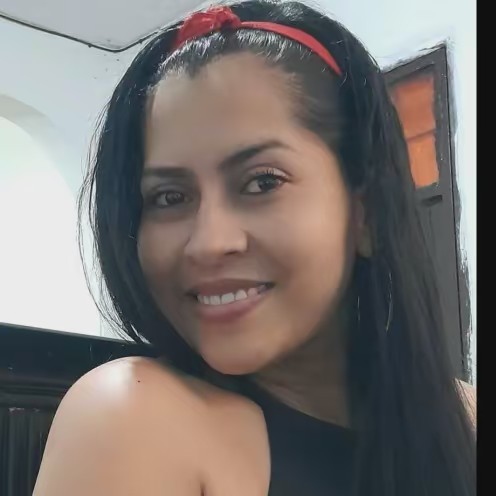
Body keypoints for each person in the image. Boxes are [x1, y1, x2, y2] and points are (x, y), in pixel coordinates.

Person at [34, 2, 476, 495]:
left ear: (365, 212)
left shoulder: (466, 422)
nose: (209, 243)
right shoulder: (132, 417)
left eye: (263, 182)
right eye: (170, 197)